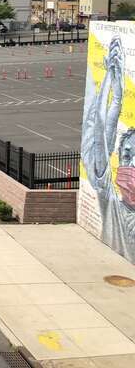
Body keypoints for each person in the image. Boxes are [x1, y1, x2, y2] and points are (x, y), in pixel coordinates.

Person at [81, 35, 135, 261]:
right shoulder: (112, 204)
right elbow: (101, 131)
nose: (131, 163)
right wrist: (115, 89)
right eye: (127, 155)